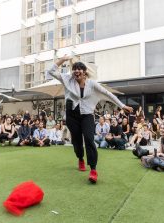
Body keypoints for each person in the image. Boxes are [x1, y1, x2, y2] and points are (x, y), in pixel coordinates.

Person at [47, 55, 133, 183]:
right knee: (76, 141)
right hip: (72, 115)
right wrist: (64, 59)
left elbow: (107, 94)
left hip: (87, 115)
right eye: (74, 69)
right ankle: (80, 158)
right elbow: (51, 71)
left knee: (89, 139)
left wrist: (122, 105)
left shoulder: (92, 84)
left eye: (79, 69)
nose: (76, 71)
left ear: (84, 72)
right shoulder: (67, 79)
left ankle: (93, 169)